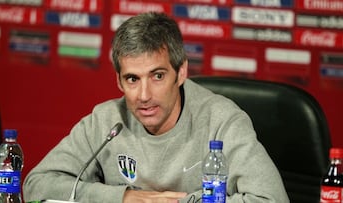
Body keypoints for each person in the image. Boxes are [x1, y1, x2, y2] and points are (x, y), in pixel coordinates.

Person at [23, 12, 289, 203]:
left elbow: (271, 198)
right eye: (132, 79)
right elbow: (37, 184)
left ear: (181, 71)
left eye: (158, 76)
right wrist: (123, 198)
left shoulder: (222, 120)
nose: (144, 95)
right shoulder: (106, 122)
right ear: (118, 81)